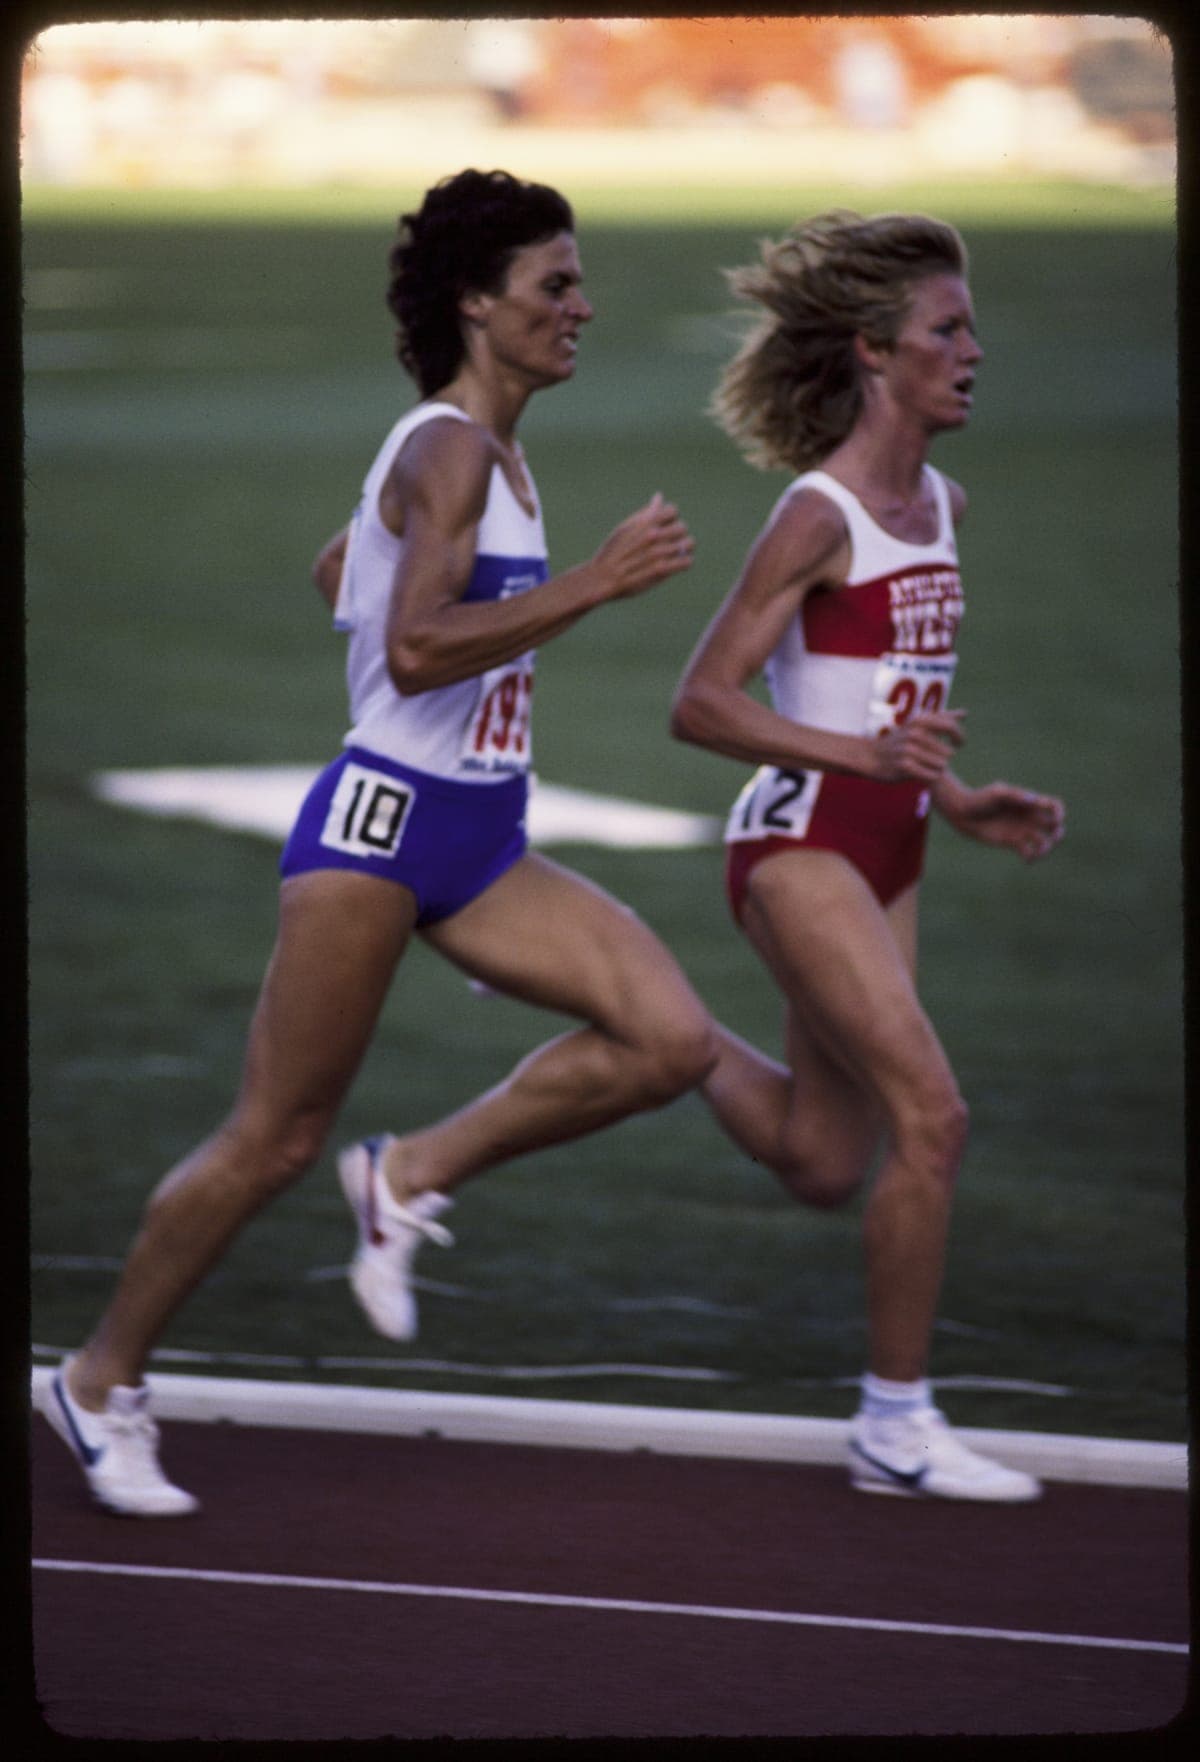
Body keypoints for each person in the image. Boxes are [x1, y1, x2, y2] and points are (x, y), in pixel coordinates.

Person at [46, 168, 717, 1516]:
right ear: (478, 303)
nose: (581, 306)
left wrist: (402, 568)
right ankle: (98, 1380)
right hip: (384, 826)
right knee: (274, 1135)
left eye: (578, 281)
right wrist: (592, 580)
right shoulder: (456, 446)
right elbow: (411, 648)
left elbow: (342, 577)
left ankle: (405, 1175)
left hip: (482, 833)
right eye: (555, 286)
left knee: (669, 1038)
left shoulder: (480, 450)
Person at [671, 210, 1065, 1501]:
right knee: (933, 1115)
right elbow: (704, 701)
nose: (974, 351)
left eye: (971, 328)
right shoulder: (817, 512)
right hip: (799, 847)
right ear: (877, 350)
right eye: (948, 330)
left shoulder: (942, 502)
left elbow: (888, 700)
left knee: (826, 1159)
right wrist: (873, 771)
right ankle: (895, 1424)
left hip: (891, 846)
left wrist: (950, 797)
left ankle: (656, 1024)